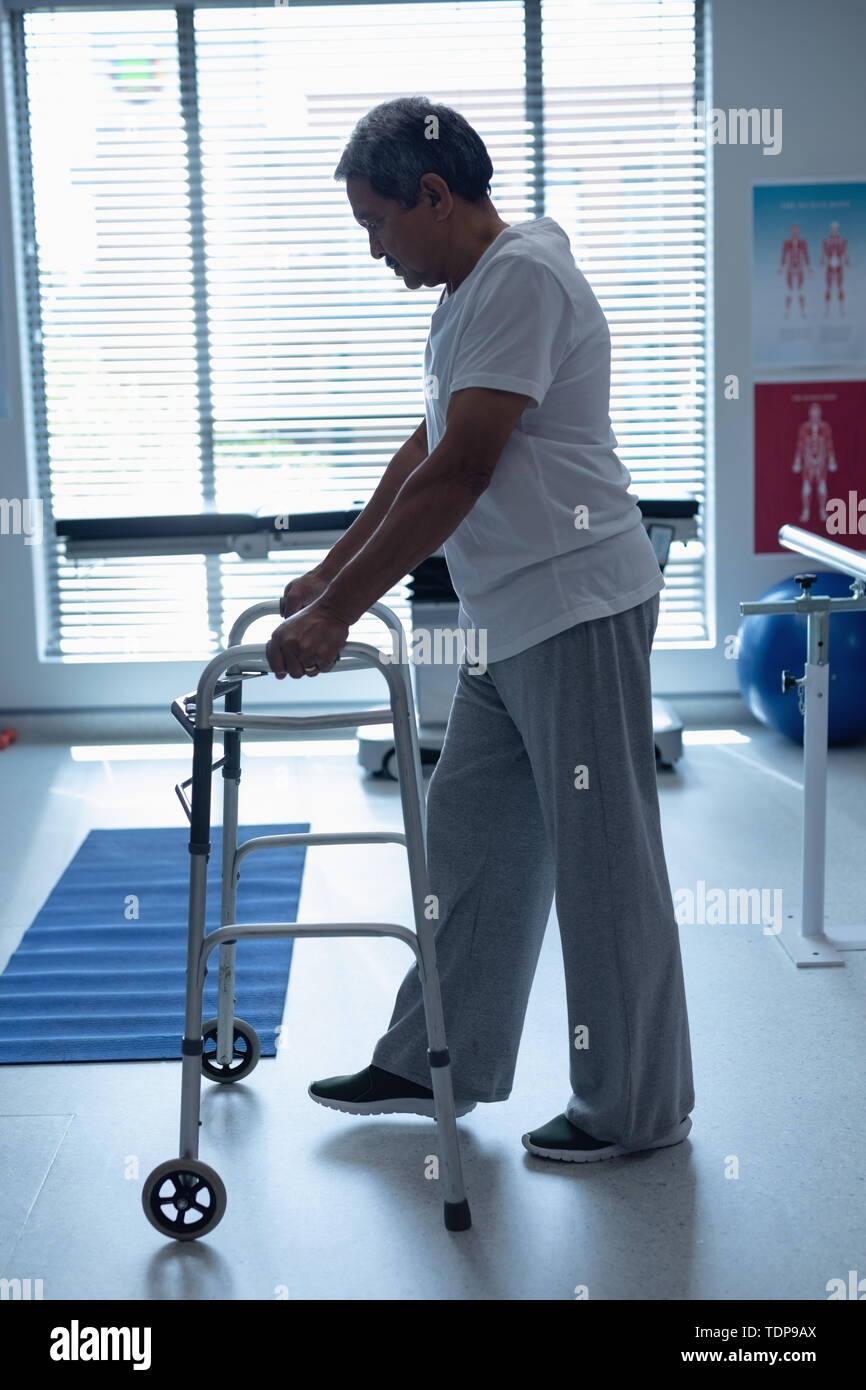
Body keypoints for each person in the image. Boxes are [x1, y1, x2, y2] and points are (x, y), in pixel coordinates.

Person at [265, 97, 695, 1162]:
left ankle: (634, 1108)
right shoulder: (469, 294)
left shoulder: (522, 280)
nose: (374, 250)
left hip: (575, 606)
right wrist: (328, 571)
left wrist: (338, 613)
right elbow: (421, 450)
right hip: (515, 613)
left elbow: (462, 473)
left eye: (377, 225)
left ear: (435, 196)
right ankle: (430, 1056)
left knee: (603, 865)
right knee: (469, 842)